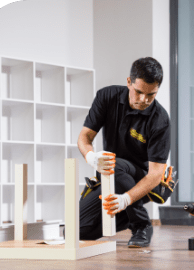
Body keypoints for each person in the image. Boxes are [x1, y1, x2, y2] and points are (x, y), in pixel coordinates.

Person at [72, 57, 171, 248]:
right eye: (139, 92)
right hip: (110, 175)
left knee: (113, 163)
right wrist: (91, 157)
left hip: (142, 180)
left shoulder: (160, 120)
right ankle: (129, 212)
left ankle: (141, 225)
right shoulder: (106, 97)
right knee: (75, 232)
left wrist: (126, 198)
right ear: (129, 82)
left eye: (151, 95)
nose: (144, 100)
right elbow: (84, 137)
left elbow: (156, 173)